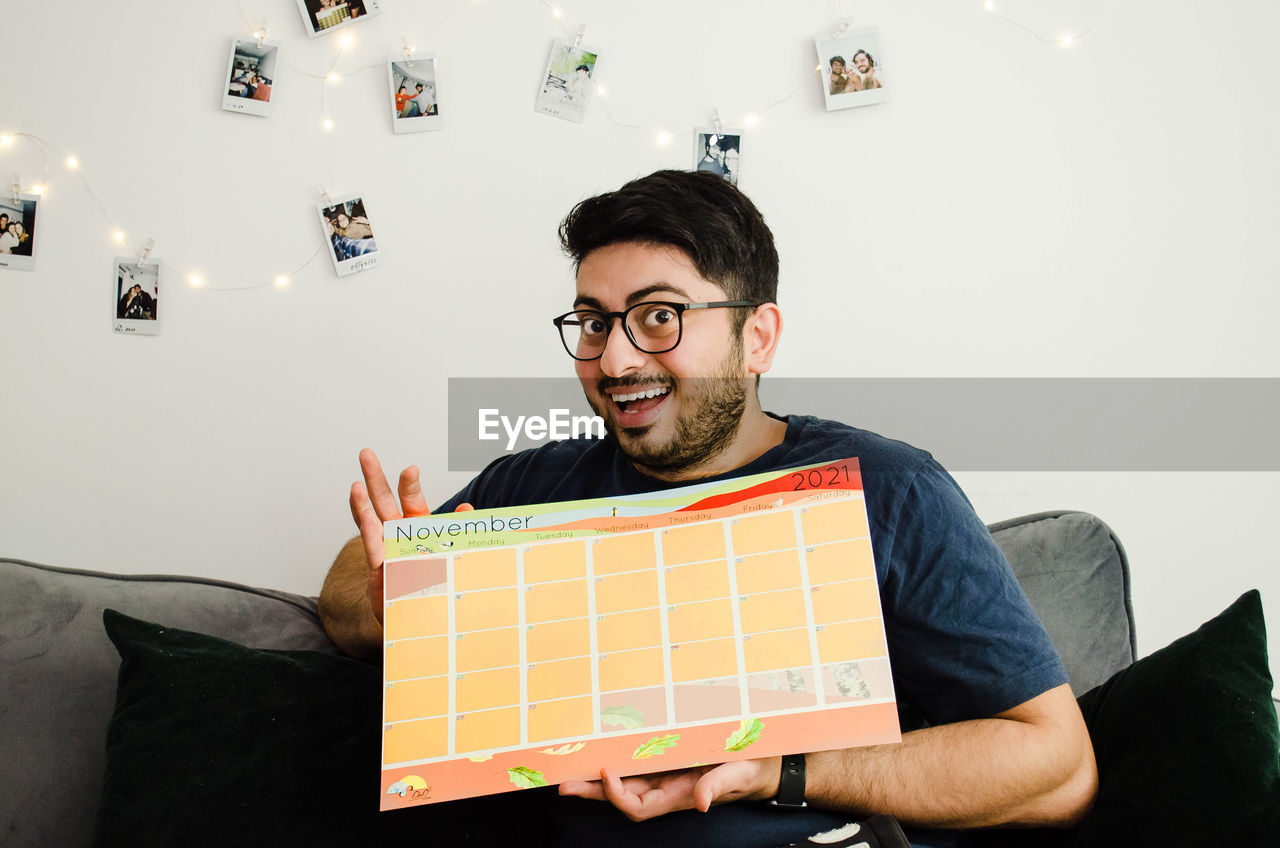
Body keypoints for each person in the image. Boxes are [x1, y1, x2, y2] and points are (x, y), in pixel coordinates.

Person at [318, 171, 1096, 848]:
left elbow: (1058, 767)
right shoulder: (534, 488)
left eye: (660, 316)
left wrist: (772, 771)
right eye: (593, 322)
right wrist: (403, 606)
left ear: (757, 337)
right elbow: (349, 590)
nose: (616, 360)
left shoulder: (891, 489)